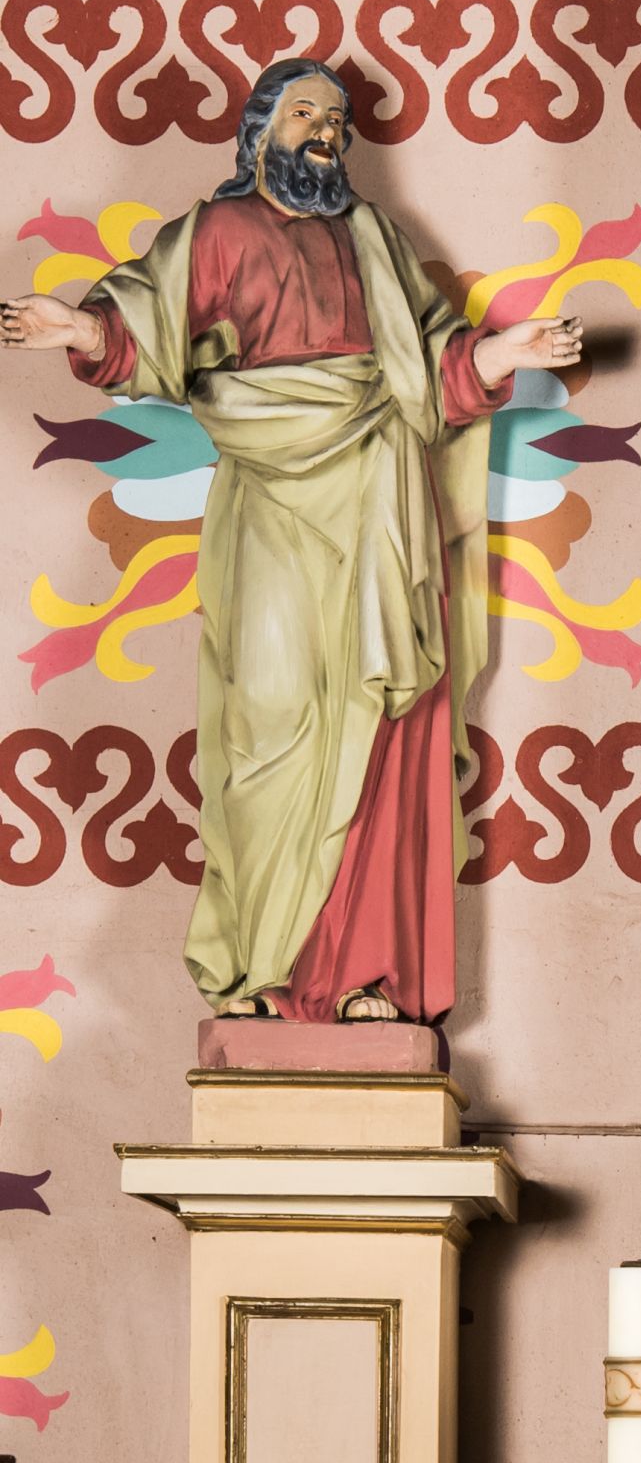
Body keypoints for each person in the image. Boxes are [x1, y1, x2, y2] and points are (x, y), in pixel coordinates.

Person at [0, 57, 580, 1023]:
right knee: (266, 716)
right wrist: (80, 330)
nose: (324, 130)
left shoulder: (374, 239)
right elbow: (146, 323)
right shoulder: (219, 231)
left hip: (378, 491)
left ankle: (361, 978)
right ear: (261, 126)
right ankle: (259, 971)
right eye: (304, 111)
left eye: (337, 118)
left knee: (377, 719)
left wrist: (497, 354)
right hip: (270, 493)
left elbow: (433, 371)